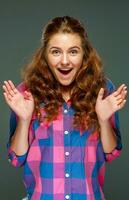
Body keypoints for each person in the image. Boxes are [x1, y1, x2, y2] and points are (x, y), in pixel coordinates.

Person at [2, 16, 127, 200]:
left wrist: (103, 120)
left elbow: (111, 153)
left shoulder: (102, 90)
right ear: (45, 55)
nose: (65, 61)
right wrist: (24, 120)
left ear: (84, 54)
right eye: (56, 52)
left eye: (73, 52)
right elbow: (16, 159)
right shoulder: (27, 93)